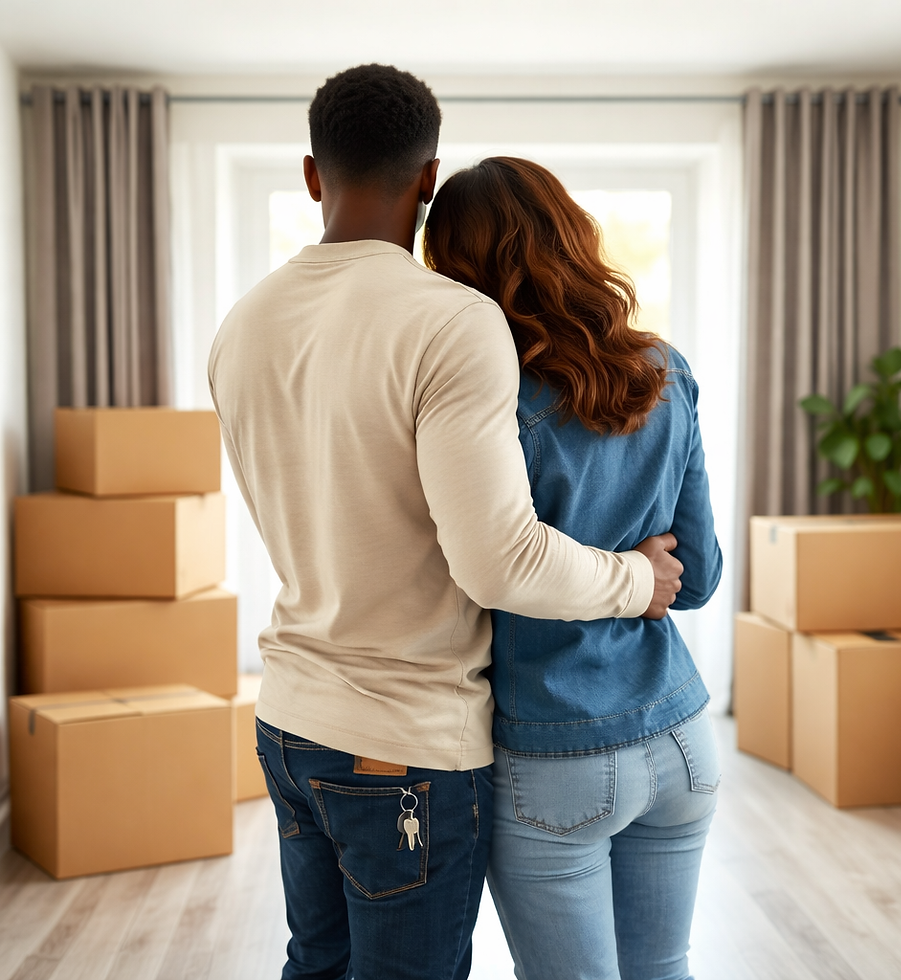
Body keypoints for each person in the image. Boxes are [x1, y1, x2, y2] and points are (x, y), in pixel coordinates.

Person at [209, 66, 684, 980]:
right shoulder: (453, 322)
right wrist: (638, 579)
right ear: (429, 177)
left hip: (288, 723)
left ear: (314, 174)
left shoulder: (244, 324)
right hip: (405, 746)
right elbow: (500, 563)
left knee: (315, 963)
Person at [424, 156, 723, 980]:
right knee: (664, 967)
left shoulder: (493, 409)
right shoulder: (666, 368)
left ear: (456, 273)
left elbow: (476, 576)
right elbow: (695, 580)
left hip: (556, 755)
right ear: (576, 238)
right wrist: (639, 569)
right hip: (681, 734)